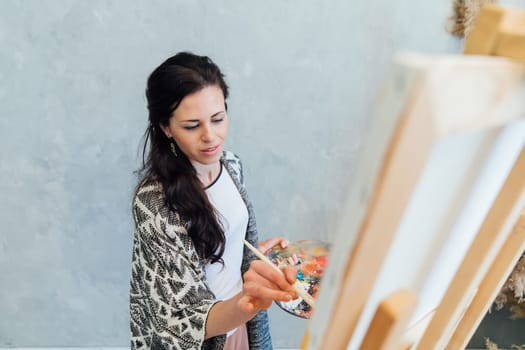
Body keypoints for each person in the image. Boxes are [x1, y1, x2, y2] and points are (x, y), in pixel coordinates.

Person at [129, 52, 298, 350]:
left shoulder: (231, 165)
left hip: (244, 323)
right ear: (165, 128)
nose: (211, 136)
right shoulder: (155, 204)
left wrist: (258, 258)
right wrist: (248, 302)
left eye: (218, 119)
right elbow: (182, 319)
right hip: (209, 334)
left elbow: (220, 252)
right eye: (192, 126)